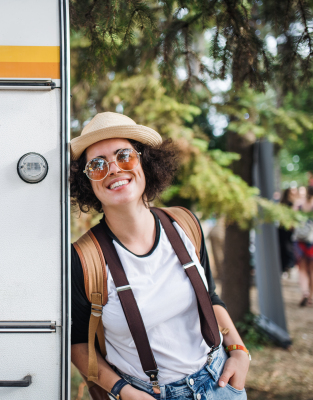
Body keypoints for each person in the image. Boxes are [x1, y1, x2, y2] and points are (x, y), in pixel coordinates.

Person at [70, 112, 250, 400]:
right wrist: (124, 392)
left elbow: (210, 297)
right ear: (88, 181)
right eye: (98, 165)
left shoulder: (185, 224)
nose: (114, 169)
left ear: (145, 161)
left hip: (220, 385)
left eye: (124, 156)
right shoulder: (83, 259)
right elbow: (77, 344)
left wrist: (239, 351)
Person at [277, 188, 297, 275]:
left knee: (284, 247)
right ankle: (287, 266)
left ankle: (285, 266)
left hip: (283, 229)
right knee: (287, 247)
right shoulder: (290, 204)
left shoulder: (282, 203)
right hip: (286, 229)